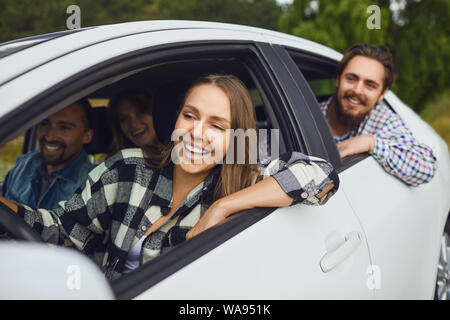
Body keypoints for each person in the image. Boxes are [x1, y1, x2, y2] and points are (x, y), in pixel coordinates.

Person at [0, 74, 339, 280]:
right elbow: (62, 230)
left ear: (236, 137)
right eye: (189, 116)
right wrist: (7, 209)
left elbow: (319, 174)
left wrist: (223, 206)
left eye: (217, 125)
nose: (196, 133)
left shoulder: (245, 184)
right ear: (175, 119)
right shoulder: (127, 168)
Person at [321, 43, 437, 186]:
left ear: (382, 94)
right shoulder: (307, 115)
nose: (357, 90)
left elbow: (426, 167)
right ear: (338, 79)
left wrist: (370, 143)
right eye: (351, 78)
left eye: (370, 85)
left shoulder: (383, 120)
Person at [2, 99, 94, 209]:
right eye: (44, 124)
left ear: (86, 136)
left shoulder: (93, 184)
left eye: (64, 128)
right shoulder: (23, 164)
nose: (50, 136)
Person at [105, 88, 164, 160]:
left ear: (156, 113)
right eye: (124, 119)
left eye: (140, 113)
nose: (133, 124)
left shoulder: (178, 151)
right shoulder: (119, 163)